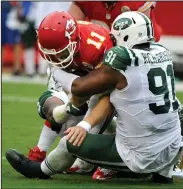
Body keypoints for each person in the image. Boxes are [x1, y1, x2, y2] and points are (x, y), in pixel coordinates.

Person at [6, 11, 182, 184]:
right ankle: (163, 175)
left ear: (126, 37)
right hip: (171, 146)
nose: (113, 40)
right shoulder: (162, 52)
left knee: (71, 142)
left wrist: (56, 72)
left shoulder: (122, 60)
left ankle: (41, 170)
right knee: (177, 110)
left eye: (116, 36)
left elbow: (79, 87)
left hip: (138, 154)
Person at [27, 11, 114, 165]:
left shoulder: (97, 46)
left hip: (101, 75)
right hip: (72, 73)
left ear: (75, 40)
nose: (57, 58)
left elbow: (103, 85)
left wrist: (79, 93)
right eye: (51, 54)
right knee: (52, 105)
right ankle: (40, 149)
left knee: (98, 107)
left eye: (62, 53)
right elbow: (57, 63)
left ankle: (89, 162)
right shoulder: (53, 47)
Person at [68, 1, 161, 42]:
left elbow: (143, 40)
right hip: (97, 48)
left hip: (131, 48)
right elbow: (71, 31)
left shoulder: (136, 3)